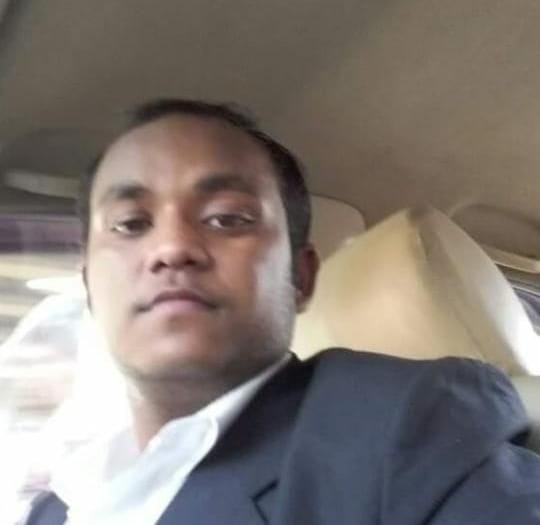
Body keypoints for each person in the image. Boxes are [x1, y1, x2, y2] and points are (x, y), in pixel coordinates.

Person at [25, 100, 540, 525]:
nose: (172, 247)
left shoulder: (409, 431)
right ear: (89, 285)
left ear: (301, 277)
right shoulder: (55, 506)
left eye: (227, 218)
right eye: (130, 224)